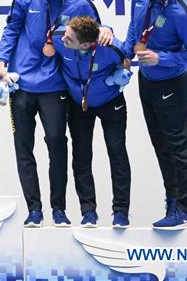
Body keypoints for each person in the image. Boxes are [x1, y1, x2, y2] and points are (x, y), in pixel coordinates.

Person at [0, 0, 110, 227]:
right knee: (23, 147)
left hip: (54, 86)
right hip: (20, 84)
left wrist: (108, 32)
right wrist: (1, 62)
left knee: (57, 145)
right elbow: (11, 29)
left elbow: (96, 35)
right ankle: (34, 209)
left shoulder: (81, 4)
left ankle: (59, 209)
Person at [124, 0, 187, 230]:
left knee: (180, 146)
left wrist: (162, 59)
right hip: (146, 80)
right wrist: (126, 54)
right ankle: (173, 202)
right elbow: (135, 28)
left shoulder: (181, 12)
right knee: (161, 145)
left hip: (172, 83)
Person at [54, 16, 132, 228]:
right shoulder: (59, 36)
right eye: (65, 35)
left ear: (87, 44)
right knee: (81, 156)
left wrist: (123, 73)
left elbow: (126, 61)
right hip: (80, 105)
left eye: (70, 39)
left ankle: (121, 212)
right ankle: (88, 212)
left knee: (117, 152)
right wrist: (104, 25)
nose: (64, 40)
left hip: (111, 102)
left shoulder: (111, 48)